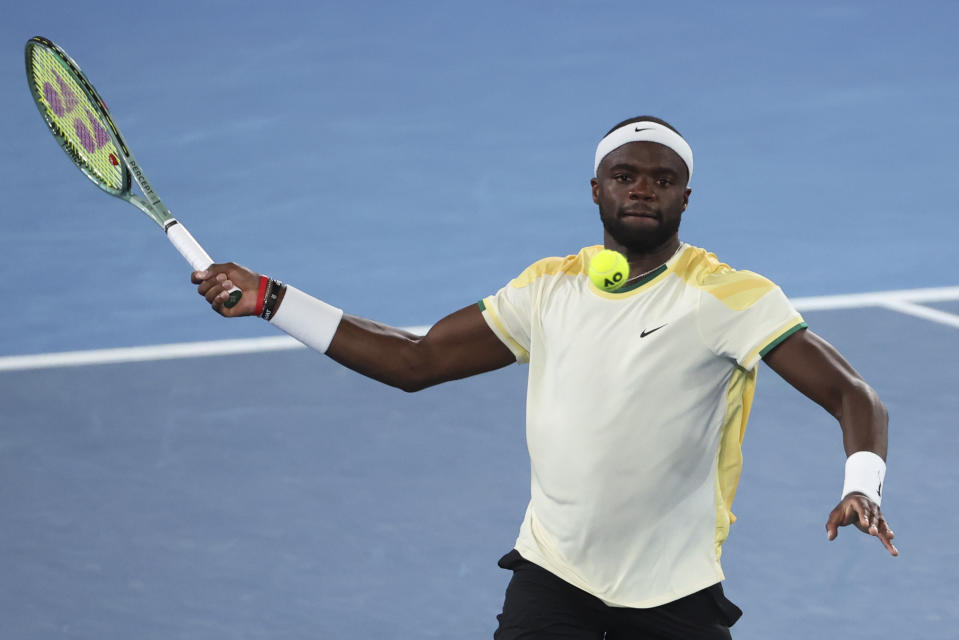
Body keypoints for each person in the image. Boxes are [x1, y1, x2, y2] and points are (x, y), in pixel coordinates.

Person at [192, 115, 897, 639]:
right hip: (552, 579)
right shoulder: (547, 289)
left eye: (662, 179)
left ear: (687, 196)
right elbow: (415, 361)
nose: (642, 190)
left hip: (672, 593)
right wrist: (272, 299)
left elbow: (850, 393)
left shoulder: (727, 296)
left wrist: (859, 486)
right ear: (596, 190)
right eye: (625, 176)